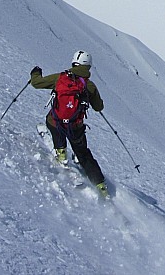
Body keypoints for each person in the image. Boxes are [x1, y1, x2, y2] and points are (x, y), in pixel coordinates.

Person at [30, 50, 108, 197]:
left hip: (57, 121)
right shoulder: (89, 85)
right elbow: (99, 107)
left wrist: (35, 72)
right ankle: (101, 186)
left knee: (52, 121)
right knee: (84, 154)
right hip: (75, 126)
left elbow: (36, 83)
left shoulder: (60, 78)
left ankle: (61, 151)